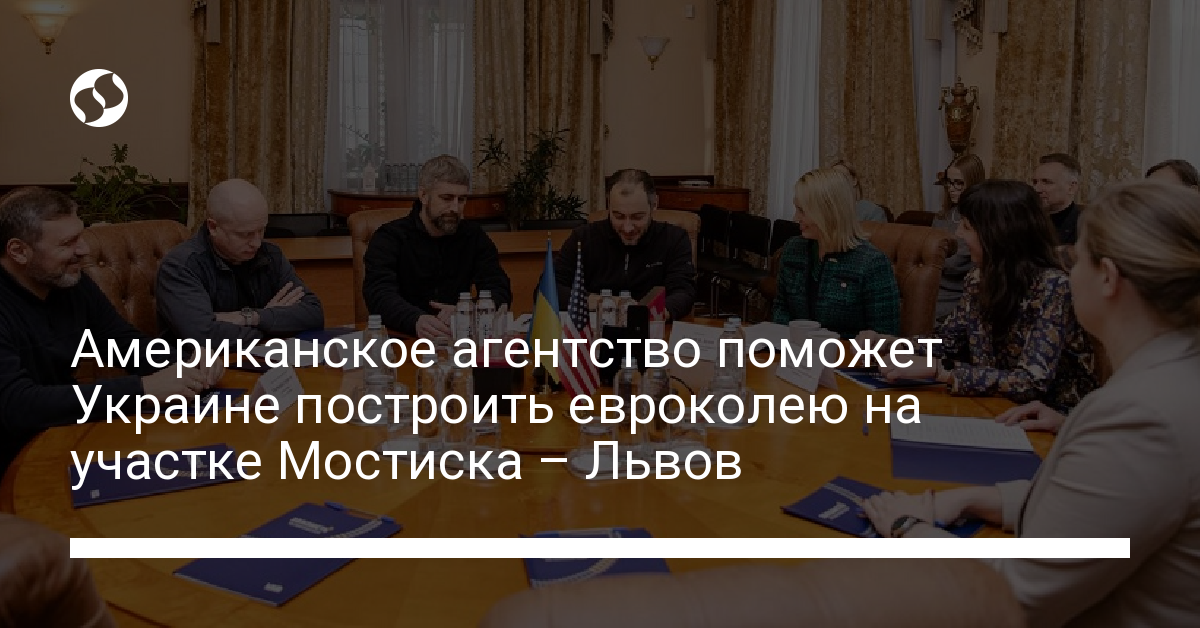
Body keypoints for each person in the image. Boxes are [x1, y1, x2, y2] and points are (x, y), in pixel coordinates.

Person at [862, 180, 1200, 627]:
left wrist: (906, 528)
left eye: (1077, 259)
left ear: (1107, 278)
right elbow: (1100, 509)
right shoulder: (1171, 378)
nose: (1067, 271)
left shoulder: (1139, 416)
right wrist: (972, 498)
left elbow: (1018, 596)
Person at [0, 188, 220, 477]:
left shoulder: (69, 282)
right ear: (18, 251)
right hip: (14, 460)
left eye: (80, 236)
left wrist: (186, 360)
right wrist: (143, 389)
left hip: (65, 434)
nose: (84, 250)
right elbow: (17, 405)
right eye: (67, 243)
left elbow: (121, 342)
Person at [866, 180, 1096, 412]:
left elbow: (1030, 382)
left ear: (998, 233)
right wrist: (894, 344)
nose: (958, 233)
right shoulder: (978, 278)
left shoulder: (1055, 287)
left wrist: (940, 371)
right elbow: (947, 342)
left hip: (1049, 419)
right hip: (991, 406)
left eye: (967, 226)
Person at [156, 179, 324, 342]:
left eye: (261, 230)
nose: (257, 243)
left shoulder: (270, 254)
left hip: (260, 355)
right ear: (213, 227)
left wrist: (250, 317)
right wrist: (272, 323)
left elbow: (314, 314)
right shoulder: (181, 266)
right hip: (205, 361)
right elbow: (205, 336)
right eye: (245, 234)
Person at [363, 154, 512, 339]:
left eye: (461, 199)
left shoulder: (473, 236)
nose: (455, 208)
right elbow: (379, 294)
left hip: (457, 338)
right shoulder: (389, 237)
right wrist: (415, 320)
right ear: (424, 196)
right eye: (447, 198)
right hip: (404, 337)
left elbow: (499, 289)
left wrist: (469, 310)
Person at [771, 168, 900, 338]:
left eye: (802, 211)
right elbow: (781, 309)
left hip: (845, 353)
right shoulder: (793, 249)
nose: (795, 218)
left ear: (827, 212)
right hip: (794, 350)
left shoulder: (872, 264)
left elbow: (884, 336)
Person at [554, 169, 695, 321]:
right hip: (595, 327)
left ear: (654, 205)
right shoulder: (583, 238)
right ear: (608, 207)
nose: (627, 228)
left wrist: (649, 313)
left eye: (637, 217)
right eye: (619, 216)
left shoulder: (674, 239)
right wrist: (603, 302)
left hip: (651, 327)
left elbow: (683, 292)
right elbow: (549, 289)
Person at [933, 154, 986, 320]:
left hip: (959, 295)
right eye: (949, 182)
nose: (951, 188)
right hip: (932, 288)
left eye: (959, 183)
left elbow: (953, 263)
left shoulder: (982, 220)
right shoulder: (942, 217)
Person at [1031, 153, 1082, 244]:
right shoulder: (1025, 220)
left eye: (1046, 182)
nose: (1036, 189)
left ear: (1071, 188)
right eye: (1035, 182)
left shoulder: (1085, 226)